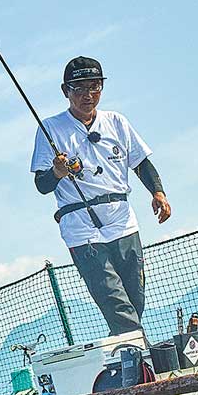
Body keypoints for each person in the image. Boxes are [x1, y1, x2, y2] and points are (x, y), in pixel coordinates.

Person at [30, 56, 171, 335]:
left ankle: (126, 357)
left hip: (122, 220)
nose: (88, 94)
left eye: (94, 86)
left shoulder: (116, 121)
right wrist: (57, 172)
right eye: (79, 88)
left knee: (135, 300)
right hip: (82, 229)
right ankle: (142, 361)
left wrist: (158, 192)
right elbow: (42, 184)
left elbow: (141, 162)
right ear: (65, 91)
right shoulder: (50, 128)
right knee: (113, 300)